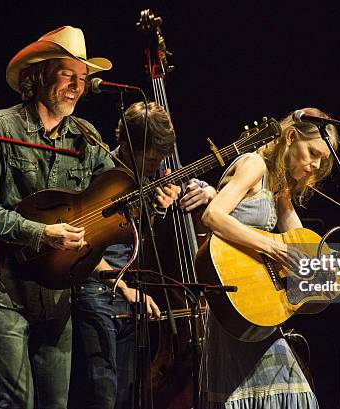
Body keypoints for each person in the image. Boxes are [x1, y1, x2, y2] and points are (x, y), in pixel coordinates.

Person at [0, 26, 176, 408]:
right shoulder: (2, 127)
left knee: (56, 403)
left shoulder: (85, 137)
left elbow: (114, 205)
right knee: (18, 401)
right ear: (39, 76)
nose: (77, 86)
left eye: (83, 79)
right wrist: (41, 233)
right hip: (2, 284)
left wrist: (154, 201)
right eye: (68, 75)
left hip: (56, 292)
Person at [69, 101, 217, 409]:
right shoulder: (100, 172)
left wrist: (206, 191)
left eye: (161, 158)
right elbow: (81, 241)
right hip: (97, 286)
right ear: (126, 144)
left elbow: (192, 184)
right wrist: (122, 287)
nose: (156, 165)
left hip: (132, 292)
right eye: (150, 158)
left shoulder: (155, 174)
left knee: (126, 395)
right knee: (104, 392)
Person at [199, 107, 338, 408]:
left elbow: (300, 243)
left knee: (291, 387)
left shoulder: (279, 186)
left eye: (322, 161)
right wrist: (271, 248)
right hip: (235, 301)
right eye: (312, 153)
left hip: (257, 308)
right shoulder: (253, 164)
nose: (314, 165)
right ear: (290, 136)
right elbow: (213, 215)